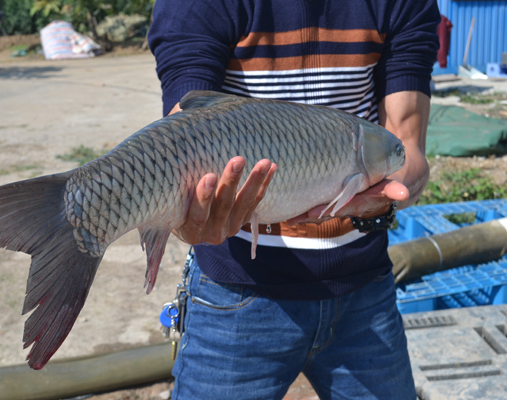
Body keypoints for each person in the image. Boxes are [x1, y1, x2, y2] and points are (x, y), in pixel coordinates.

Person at [148, 0, 440, 398]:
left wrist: (385, 192)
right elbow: (184, 128)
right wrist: (185, 209)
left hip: (364, 289)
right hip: (236, 290)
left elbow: (406, 146)